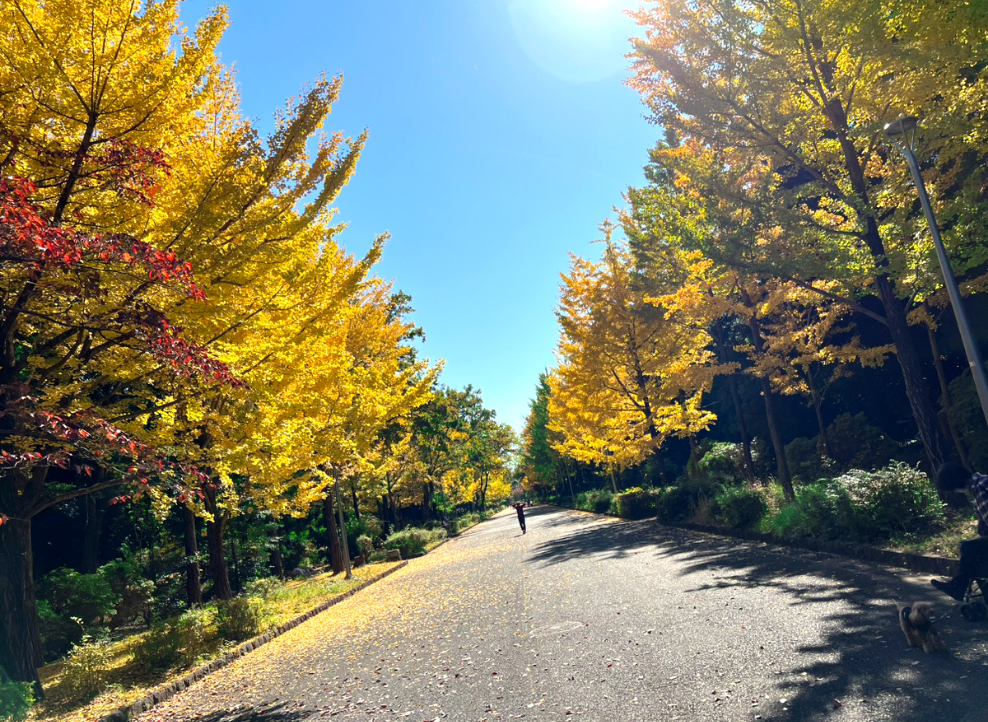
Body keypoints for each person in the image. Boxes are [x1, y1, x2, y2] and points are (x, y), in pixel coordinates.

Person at [929, 463, 988, 601]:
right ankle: (959, 587)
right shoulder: (982, 482)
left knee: (969, 548)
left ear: (956, 484)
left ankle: (958, 587)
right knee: (973, 549)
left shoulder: (981, 489)